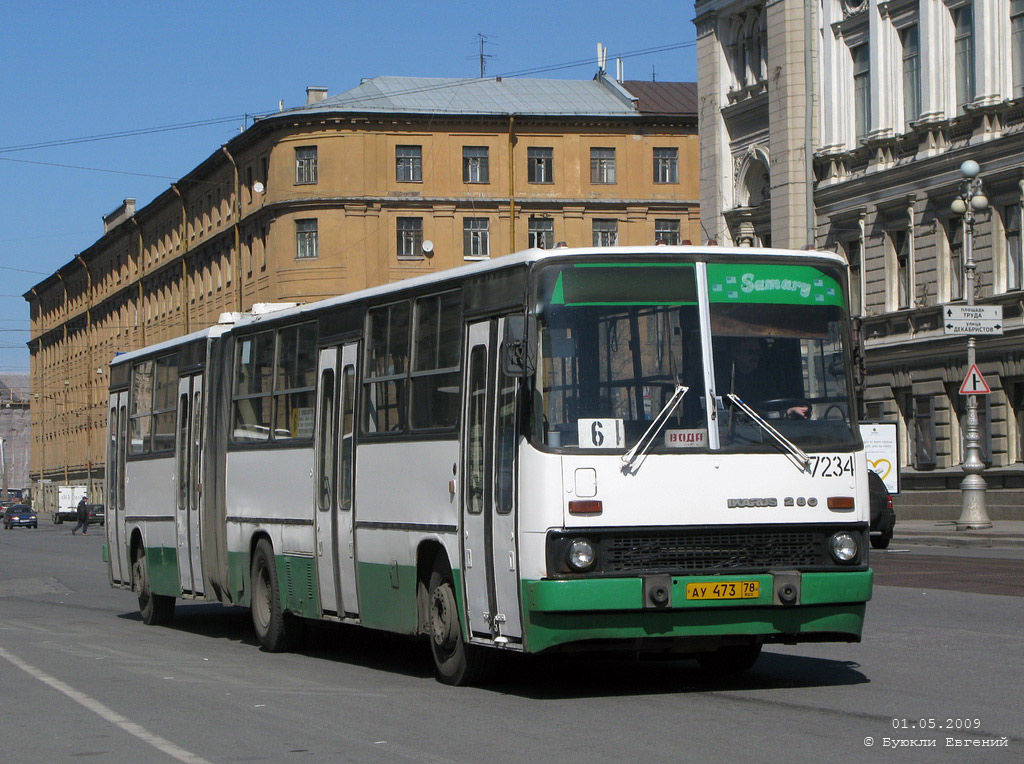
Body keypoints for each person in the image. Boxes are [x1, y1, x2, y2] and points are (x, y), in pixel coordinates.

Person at [727, 337, 810, 419]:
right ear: (736, 353)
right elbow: (738, 415)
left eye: (758, 352)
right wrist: (784, 413)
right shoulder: (726, 381)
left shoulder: (766, 380)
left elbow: (776, 405)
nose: (755, 356)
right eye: (750, 352)